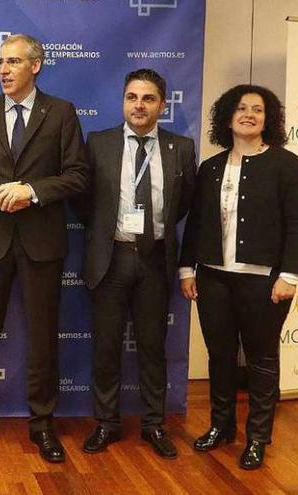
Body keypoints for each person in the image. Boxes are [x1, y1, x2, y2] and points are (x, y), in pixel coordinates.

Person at [0, 33, 89, 464]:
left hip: (42, 242)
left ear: (36, 65)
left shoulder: (62, 113)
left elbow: (77, 175)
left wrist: (31, 190)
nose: (3, 69)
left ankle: (42, 425)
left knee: (43, 337)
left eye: (13, 61)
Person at [179, 84, 298, 470]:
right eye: (240, 108)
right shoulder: (212, 167)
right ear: (228, 117)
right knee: (220, 356)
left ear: (268, 118)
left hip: (265, 282)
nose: (248, 114)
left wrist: (289, 275)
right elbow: (198, 223)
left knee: (261, 359)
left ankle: (257, 437)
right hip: (213, 278)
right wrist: (188, 269)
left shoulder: (286, 165)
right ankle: (221, 427)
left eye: (257, 109)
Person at [75, 69, 196, 459]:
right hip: (110, 258)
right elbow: (83, 201)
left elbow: (185, 204)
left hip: (155, 258)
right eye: (131, 97)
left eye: (147, 98)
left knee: (152, 347)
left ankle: (154, 425)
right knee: (107, 347)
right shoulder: (99, 143)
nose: (139, 105)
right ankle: (107, 423)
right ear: (123, 102)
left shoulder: (182, 148)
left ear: (162, 104)